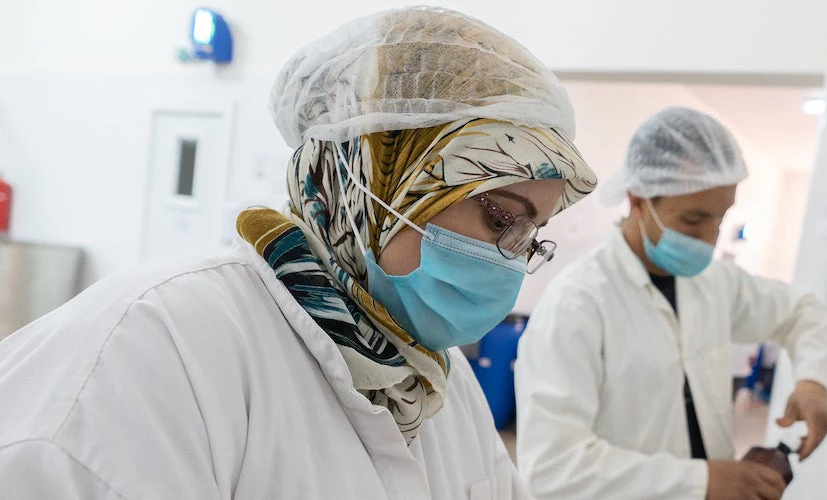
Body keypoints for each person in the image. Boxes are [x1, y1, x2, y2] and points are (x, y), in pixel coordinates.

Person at [0, 7, 596, 499]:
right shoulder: (153, 351)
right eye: (500, 217)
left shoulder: (435, 376)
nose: (511, 261)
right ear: (364, 177)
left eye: (531, 236)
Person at [514, 107, 827, 500]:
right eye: (693, 219)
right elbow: (553, 468)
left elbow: (803, 311)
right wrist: (699, 482)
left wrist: (813, 380)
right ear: (637, 199)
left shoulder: (714, 283)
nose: (709, 238)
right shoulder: (577, 305)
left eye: (721, 217)